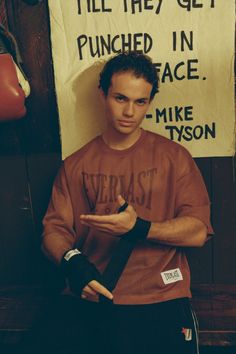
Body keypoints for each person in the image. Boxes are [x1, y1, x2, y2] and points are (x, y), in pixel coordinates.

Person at [42, 51, 213, 354]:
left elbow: (198, 232)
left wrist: (140, 227)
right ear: (102, 95)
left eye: (140, 102)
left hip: (162, 295)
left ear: (149, 102)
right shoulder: (76, 164)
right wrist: (75, 264)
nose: (130, 111)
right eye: (120, 98)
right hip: (95, 294)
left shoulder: (174, 157)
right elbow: (53, 231)